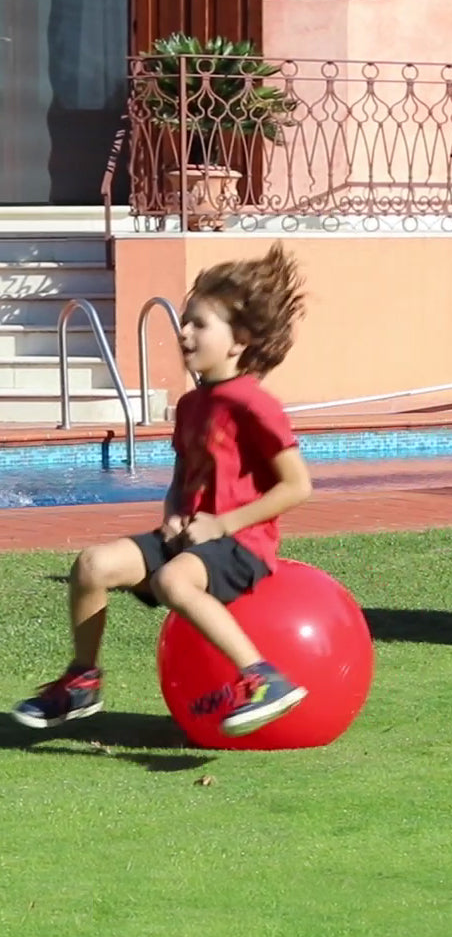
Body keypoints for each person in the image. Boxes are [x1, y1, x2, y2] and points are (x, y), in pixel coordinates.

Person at [11, 243, 314, 736]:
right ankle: (82, 681)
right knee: (92, 565)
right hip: (190, 541)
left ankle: (264, 677)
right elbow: (182, 477)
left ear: (238, 341)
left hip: (240, 546)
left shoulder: (254, 404)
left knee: (175, 582)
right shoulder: (193, 404)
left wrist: (223, 523)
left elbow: (298, 486)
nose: (184, 331)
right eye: (185, 320)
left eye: (200, 323)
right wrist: (174, 512)